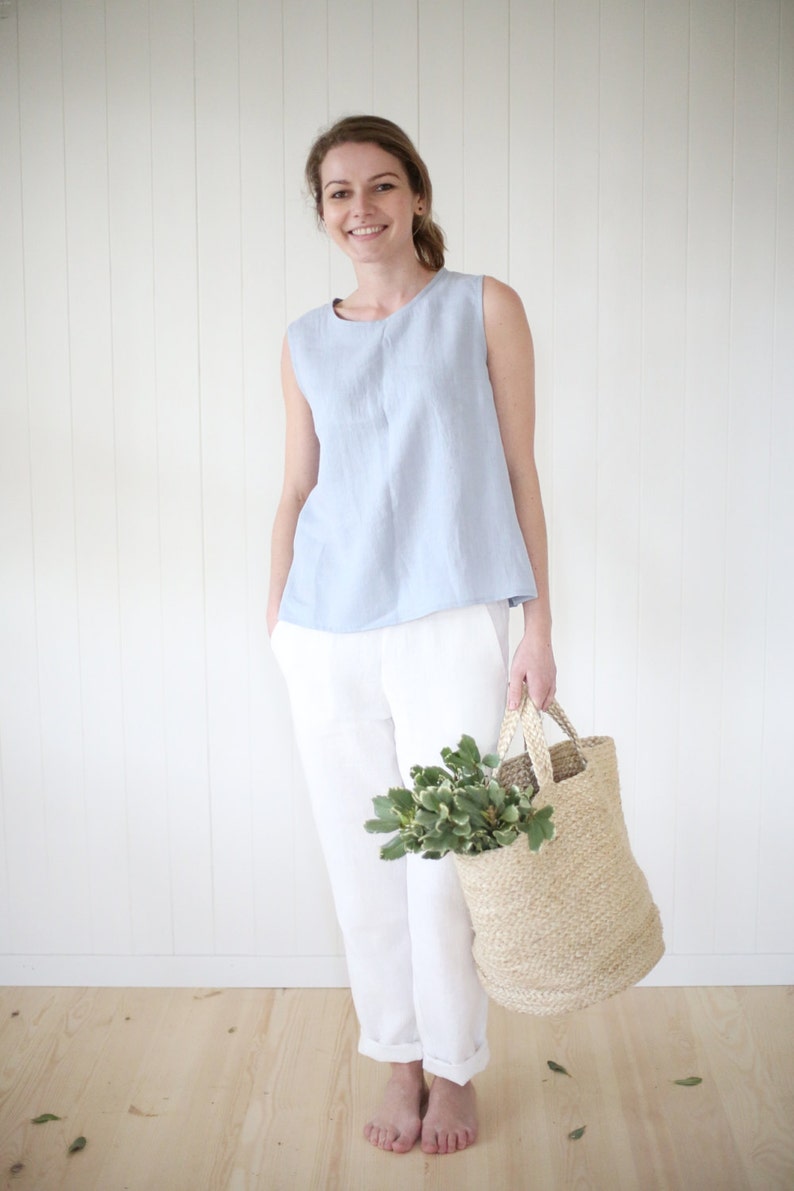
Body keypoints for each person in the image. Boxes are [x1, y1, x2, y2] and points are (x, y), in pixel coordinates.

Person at [267, 115, 556, 1156]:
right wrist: (276, 626)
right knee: (361, 863)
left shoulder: (482, 307)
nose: (362, 210)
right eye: (339, 193)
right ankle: (395, 1057)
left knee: (446, 863)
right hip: (326, 629)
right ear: (322, 213)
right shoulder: (304, 340)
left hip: (454, 621)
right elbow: (298, 489)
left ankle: (453, 1068)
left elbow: (520, 470)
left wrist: (536, 624)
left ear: (417, 196)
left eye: (381, 186)